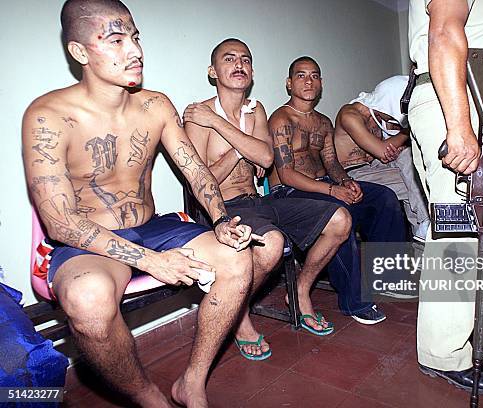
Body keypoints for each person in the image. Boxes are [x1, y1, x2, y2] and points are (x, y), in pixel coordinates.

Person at [23, 1, 254, 407]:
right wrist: (151, 261)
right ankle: (149, 397)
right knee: (88, 298)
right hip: (88, 239)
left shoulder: (156, 105)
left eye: (135, 37)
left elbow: (196, 171)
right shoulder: (48, 115)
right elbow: (59, 222)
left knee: (237, 258)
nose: (134, 50)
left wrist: (220, 219)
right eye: (115, 40)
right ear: (80, 53)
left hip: (153, 226)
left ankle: (193, 382)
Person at [184, 39, 352, 356]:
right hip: (223, 207)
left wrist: (223, 130)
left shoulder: (254, 110)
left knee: (340, 218)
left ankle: (301, 289)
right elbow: (203, 180)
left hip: (258, 202)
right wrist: (241, 149)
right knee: (272, 243)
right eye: (229, 58)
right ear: (212, 71)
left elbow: (263, 157)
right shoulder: (197, 115)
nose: (238, 64)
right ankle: (238, 314)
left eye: (245, 59)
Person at [407, 0, 483, 394]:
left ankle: (470, 319)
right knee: (459, 232)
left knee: (470, 225)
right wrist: (459, 125)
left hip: (470, 94)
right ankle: (444, 351)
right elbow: (444, 32)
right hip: (455, 95)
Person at [268, 56, 408, 324]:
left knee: (383, 197)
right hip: (287, 194)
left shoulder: (323, 122)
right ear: (289, 83)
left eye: (314, 75)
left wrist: (346, 182)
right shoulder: (281, 119)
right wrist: (333, 192)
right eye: (301, 75)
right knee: (337, 211)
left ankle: (386, 276)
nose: (308, 80)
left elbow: (331, 163)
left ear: (321, 83)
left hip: (323, 187)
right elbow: (285, 173)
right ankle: (355, 302)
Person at [335, 75, 430, 241]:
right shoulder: (350, 115)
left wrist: (396, 145)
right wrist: (409, 130)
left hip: (376, 167)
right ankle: (423, 224)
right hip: (354, 173)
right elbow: (383, 151)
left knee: (408, 156)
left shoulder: (378, 117)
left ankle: (422, 229)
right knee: (417, 183)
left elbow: (388, 153)